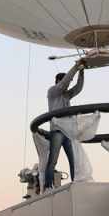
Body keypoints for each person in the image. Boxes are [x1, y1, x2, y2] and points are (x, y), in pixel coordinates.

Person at [44, 60, 85, 190]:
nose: (67, 86)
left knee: (73, 161)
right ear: (58, 81)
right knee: (53, 160)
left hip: (67, 132)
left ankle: (76, 183)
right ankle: (48, 185)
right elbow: (65, 83)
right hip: (57, 131)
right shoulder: (53, 92)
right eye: (64, 83)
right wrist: (76, 67)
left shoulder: (66, 95)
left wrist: (82, 72)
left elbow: (78, 88)